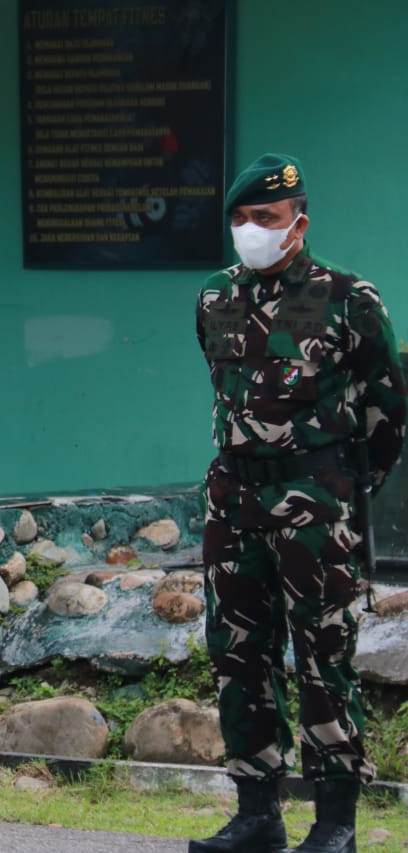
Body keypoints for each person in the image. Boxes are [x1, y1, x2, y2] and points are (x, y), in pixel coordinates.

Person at [192, 153, 407, 853]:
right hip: (234, 499)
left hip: (315, 502)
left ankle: (334, 823)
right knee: (237, 652)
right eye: (242, 218)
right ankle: (257, 813)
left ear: (298, 223)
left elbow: (387, 409)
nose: (251, 230)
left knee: (324, 653)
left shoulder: (350, 297)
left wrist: (343, 487)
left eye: (267, 218)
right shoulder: (214, 298)